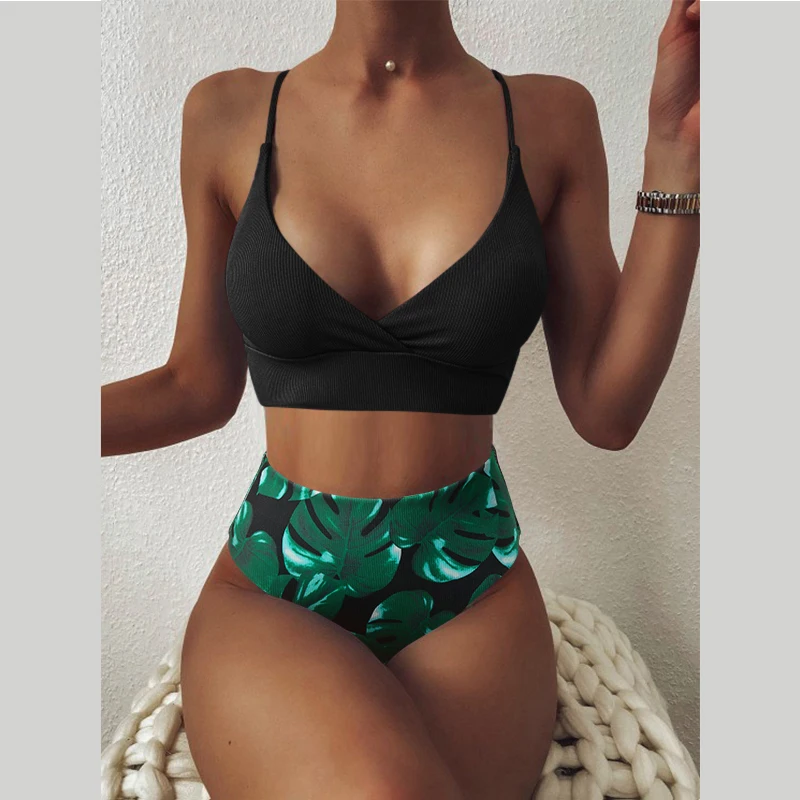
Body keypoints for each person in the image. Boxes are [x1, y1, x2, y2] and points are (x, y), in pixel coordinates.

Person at [101, 1, 699, 797]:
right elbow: (195, 387)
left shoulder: (552, 117)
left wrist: (673, 155)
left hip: (472, 587)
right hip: (275, 584)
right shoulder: (227, 113)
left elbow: (607, 411)